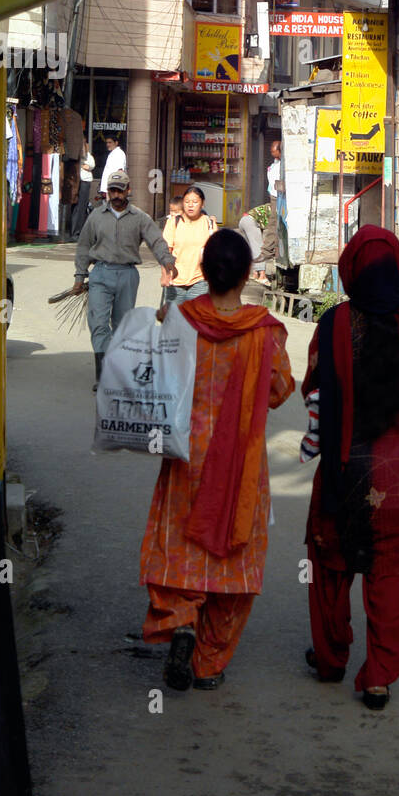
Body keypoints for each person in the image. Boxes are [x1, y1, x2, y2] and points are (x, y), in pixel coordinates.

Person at [140, 229, 295, 691]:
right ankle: (209, 662)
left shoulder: (182, 320)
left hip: (187, 454)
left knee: (180, 544)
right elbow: (279, 390)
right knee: (234, 549)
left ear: (204, 272)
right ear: (247, 275)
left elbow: (156, 378)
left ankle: (182, 619)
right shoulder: (264, 331)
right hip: (240, 461)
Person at [301, 225, 399, 710]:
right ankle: (379, 676)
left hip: (345, 475)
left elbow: (312, 388)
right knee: (392, 577)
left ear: (351, 269)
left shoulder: (335, 322)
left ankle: (331, 657)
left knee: (329, 566)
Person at [72, 170, 177, 390]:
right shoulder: (96, 217)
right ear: (107, 192)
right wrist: (80, 275)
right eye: (112, 191)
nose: (117, 195)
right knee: (98, 325)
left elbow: (156, 241)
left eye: (120, 190)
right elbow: (83, 246)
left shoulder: (140, 218)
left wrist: (166, 261)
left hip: (127, 275)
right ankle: (104, 375)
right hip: (100, 273)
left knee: (121, 326)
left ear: (128, 190)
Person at [161, 187, 217, 306]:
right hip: (175, 282)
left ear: (202, 204)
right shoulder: (173, 223)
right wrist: (165, 274)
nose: (190, 205)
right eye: (187, 202)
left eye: (195, 202)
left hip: (200, 281)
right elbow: (165, 251)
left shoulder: (209, 224)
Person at [237, 204, 272, 281]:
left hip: (243, 221)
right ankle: (262, 275)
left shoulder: (268, 207)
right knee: (259, 248)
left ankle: (255, 273)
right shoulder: (276, 209)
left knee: (253, 249)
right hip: (250, 222)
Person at [69, 138, 94, 241]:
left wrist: (84, 165)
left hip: (85, 182)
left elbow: (90, 166)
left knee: (82, 207)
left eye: (85, 144)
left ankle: (78, 232)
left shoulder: (89, 156)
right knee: (75, 206)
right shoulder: (75, 155)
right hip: (76, 181)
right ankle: (74, 232)